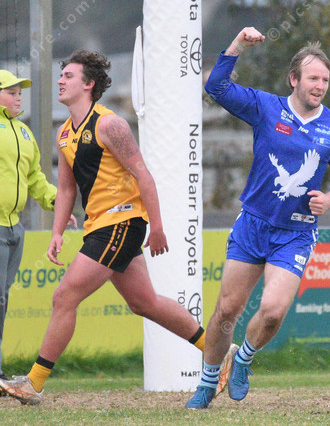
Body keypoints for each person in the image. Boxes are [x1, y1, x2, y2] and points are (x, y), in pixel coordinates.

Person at [0, 51, 206, 405]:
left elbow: (144, 175)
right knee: (145, 303)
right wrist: (56, 232)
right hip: (100, 226)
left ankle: (34, 383)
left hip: (121, 222)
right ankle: (217, 349)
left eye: (68, 76)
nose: (60, 80)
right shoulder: (65, 133)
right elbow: (66, 189)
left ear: (89, 84)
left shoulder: (110, 125)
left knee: (64, 297)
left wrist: (157, 227)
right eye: (61, 75)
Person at [185, 27, 330, 409]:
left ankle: (242, 360)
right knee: (227, 310)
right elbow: (217, 87)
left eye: (325, 80)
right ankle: (207, 383)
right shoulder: (266, 107)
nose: (320, 86)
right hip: (253, 224)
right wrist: (237, 46)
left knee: (274, 311)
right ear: (294, 79)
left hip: (295, 233)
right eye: (313, 78)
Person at [0, 70, 75, 390]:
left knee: (2, 300)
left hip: (15, 230)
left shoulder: (24, 133)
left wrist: (58, 204)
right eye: (11, 92)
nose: (18, 98)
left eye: (20, 93)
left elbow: (35, 180)